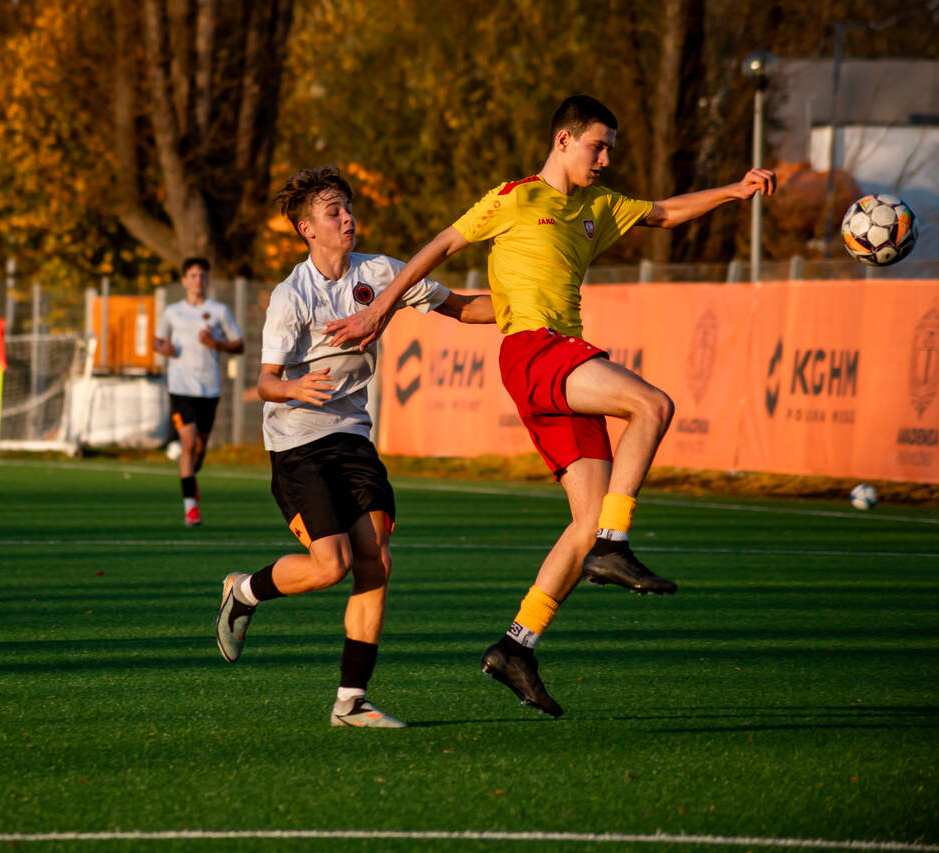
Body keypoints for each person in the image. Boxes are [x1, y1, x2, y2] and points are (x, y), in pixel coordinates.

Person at [322, 95, 777, 718]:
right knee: (652, 405)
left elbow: (666, 213)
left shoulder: (600, 206)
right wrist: (379, 309)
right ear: (563, 140)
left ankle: (517, 646)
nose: (605, 158)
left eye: (610, 148)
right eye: (597, 146)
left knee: (584, 520)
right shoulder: (515, 197)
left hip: (560, 356)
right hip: (534, 351)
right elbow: (442, 244)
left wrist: (735, 190)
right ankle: (614, 544)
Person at [215, 167, 495, 727]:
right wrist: (294, 387)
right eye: (334, 211)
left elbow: (463, 307)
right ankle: (244, 591)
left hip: (351, 436)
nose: (348, 218)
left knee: (376, 560)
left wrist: (529, 303)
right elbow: (266, 382)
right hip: (297, 442)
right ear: (307, 229)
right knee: (330, 566)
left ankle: (351, 701)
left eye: (348, 207)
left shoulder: (381, 272)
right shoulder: (291, 295)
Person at [152, 258, 245, 527]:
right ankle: (190, 509)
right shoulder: (173, 312)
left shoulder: (218, 311)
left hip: (209, 387)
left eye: (202, 276)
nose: (197, 280)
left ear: (207, 280)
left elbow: (238, 345)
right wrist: (164, 349)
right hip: (180, 387)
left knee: (199, 450)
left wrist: (215, 343)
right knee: (188, 444)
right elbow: (157, 340)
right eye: (192, 276)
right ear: (184, 281)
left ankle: (191, 481)